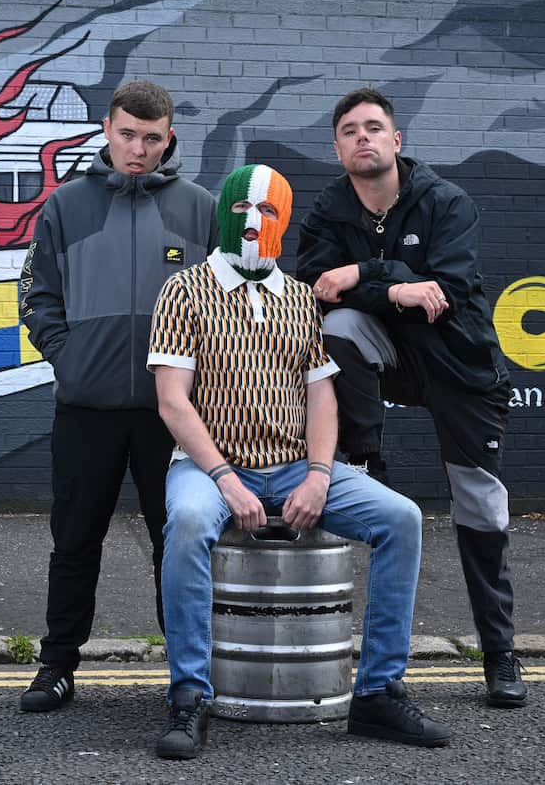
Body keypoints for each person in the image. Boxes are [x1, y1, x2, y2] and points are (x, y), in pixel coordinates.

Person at [147, 163, 449, 760]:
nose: (252, 223)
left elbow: (320, 398)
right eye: (241, 209)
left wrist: (318, 473)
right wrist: (224, 478)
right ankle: (189, 694)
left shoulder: (298, 298)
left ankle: (378, 693)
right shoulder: (183, 290)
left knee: (402, 519)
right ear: (222, 214)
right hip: (209, 465)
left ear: (283, 222)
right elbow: (172, 401)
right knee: (186, 523)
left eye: (267, 212)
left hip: (292, 465)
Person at [295, 87, 527, 709]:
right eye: (350, 130)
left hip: (459, 368)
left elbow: (446, 291)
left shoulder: (446, 203)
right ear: (338, 148)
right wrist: (395, 287)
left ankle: (500, 652)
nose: (362, 137)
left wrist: (364, 274)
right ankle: (364, 459)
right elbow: (316, 287)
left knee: (480, 507)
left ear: (396, 141)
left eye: (374, 127)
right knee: (339, 328)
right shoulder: (329, 211)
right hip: (387, 358)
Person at [17, 80, 216, 712]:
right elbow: (36, 295)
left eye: (151, 139)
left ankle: (188, 674)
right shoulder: (65, 205)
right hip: (87, 408)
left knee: (176, 547)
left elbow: (227, 305)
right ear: (107, 129)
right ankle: (57, 665)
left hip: (173, 414)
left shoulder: (201, 208)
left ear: (169, 138)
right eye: (127, 134)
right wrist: (69, 357)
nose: (138, 149)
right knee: (75, 541)